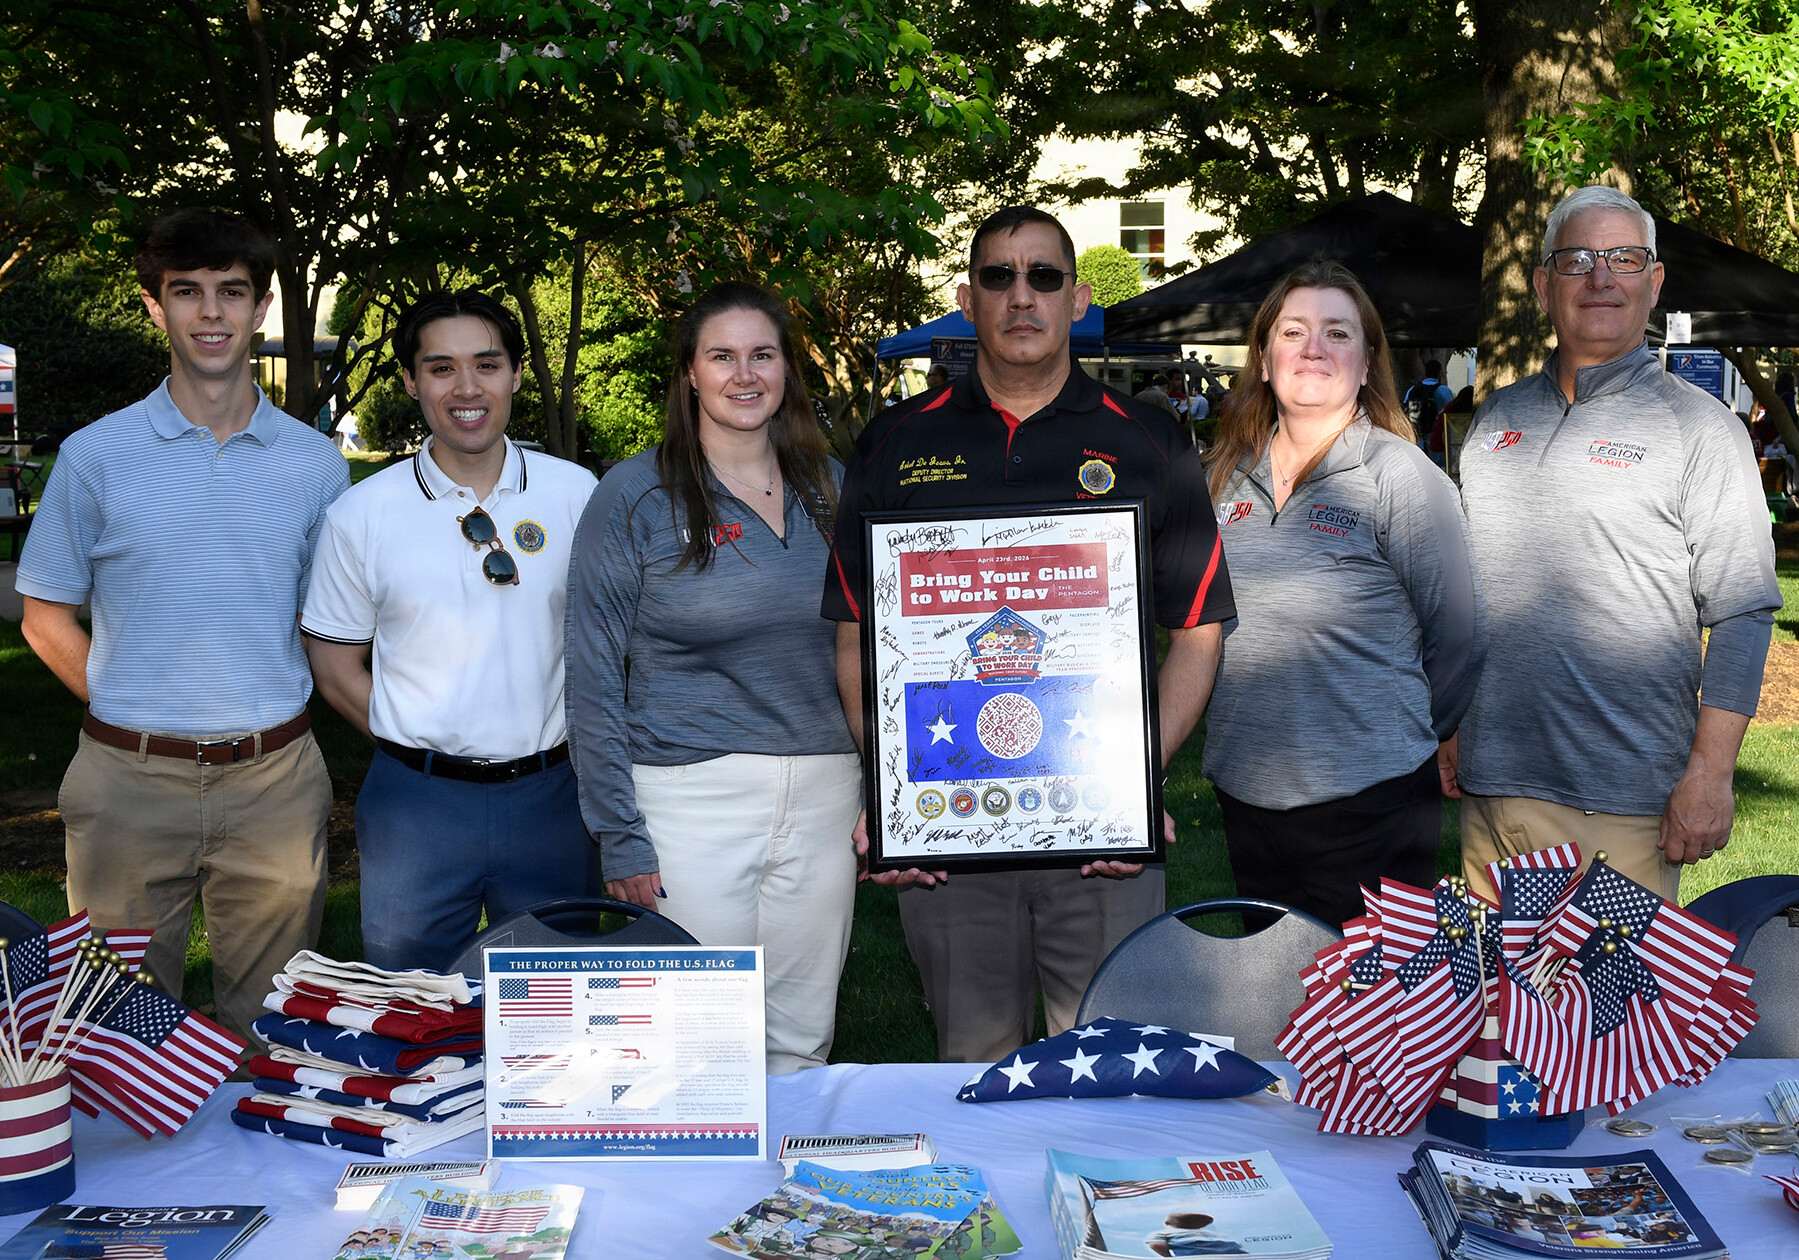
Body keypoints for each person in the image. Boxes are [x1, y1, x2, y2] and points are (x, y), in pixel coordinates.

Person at [823, 206, 1234, 1064]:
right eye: (999, 277)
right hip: (948, 834)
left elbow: (1196, 629)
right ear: (967, 297)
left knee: (1107, 1073)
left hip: (1099, 837)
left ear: (1077, 298)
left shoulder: (1147, 436)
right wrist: (890, 787)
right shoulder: (897, 440)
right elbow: (856, 635)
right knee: (970, 1069)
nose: (1022, 296)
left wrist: (1136, 779)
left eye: (1043, 276)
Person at [14, 209, 349, 1043]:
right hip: (126, 782)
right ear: (153, 305)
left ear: (261, 308)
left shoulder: (317, 465)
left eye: (231, 292)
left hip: (275, 781)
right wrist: (131, 707)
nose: (210, 313)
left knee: (272, 1035)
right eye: (187, 292)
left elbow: (332, 621)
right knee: (115, 1039)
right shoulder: (95, 455)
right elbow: (44, 616)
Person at [1450, 185, 1781, 901]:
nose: (1600, 277)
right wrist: (1447, 726)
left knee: (1608, 1018)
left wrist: (1710, 773)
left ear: (1653, 282)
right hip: (1488, 792)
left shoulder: (1700, 430)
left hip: (1622, 804)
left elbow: (1743, 612)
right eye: (1576, 259)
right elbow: (1464, 594)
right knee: (1495, 1016)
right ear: (1543, 285)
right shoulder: (1494, 421)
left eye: (1624, 258)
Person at [566, 281, 860, 1074]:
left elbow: (878, 650)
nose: (743, 374)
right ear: (689, 374)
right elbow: (591, 676)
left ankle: (788, 1200)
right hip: (687, 803)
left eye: (761, 354)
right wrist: (617, 832)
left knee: (800, 1038)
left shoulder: (830, 485)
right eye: (720, 356)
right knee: (688, 1048)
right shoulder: (633, 495)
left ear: (786, 370)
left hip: (828, 794)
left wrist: (890, 798)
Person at [301, 289, 598, 972]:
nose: (466, 388)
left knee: (557, 1005)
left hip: (554, 797)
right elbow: (335, 667)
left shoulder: (576, 493)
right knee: (413, 1012)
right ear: (410, 381)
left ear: (517, 374)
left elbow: (620, 646)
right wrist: (423, 750)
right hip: (417, 808)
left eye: (486, 365)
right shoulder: (362, 513)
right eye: (440, 368)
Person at [1202, 261, 1487, 928]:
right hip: (1245, 794)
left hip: (1370, 802)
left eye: (1337, 333)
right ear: (1265, 361)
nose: (1313, 348)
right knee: (1276, 1005)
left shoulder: (1399, 476)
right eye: (1294, 331)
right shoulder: (1222, 478)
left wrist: (1405, 728)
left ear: (1365, 365)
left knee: (1369, 1022)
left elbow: (1461, 636)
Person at [1404, 358, 1456, 464]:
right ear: (1440, 372)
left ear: (1424, 372)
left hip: (1417, 437)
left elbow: (1405, 410)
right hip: (1438, 442)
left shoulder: (1413, 390)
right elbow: (1453, 416)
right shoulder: (1444, 391)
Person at [1146, 1211, 1246, 1257]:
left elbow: (1156, 1244)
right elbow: (1237, 1245)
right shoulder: (1214, 1234)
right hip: (1233, 1254)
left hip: (1197, 1254)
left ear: (1168, 1223)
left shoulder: (1165, 1232)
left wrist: (1168, 1257)